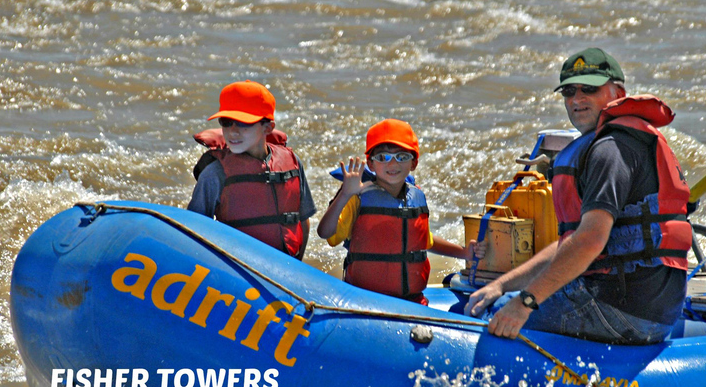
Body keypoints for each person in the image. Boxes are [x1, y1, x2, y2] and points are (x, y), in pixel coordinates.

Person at [465, 48, 692, 345]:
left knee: (486, 316)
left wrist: (524, 303)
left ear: (618, 91)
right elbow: (572, 243)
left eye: (590, 89)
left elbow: (589, 242)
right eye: (569, 92)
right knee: (495, 298)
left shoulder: (610, 149)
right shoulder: (618, 141)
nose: (577, 99)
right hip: (653, 311)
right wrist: (502, 285)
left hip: (619, 309)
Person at [317, 118, 485, 305]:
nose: (392, 164)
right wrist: (344, 195)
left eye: (402, 157)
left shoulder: (416, 198)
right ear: (370, 165)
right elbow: (325, 233)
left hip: (411, 302)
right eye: (383, 157)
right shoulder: (357, 197)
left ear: (413, 163)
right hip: (364, 301)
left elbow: (425, 241)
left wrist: (464, 253)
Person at [188, 80, 316, 260]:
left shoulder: (293, 163)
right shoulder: (215, 174)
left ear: (268, 127)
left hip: (285, 269)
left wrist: (297, 266)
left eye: (243, 123)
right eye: (226, 122)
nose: (232, 132)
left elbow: (303, 220)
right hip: (237, 270)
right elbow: (193, 230)